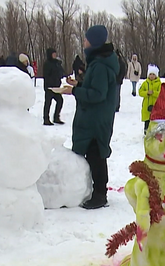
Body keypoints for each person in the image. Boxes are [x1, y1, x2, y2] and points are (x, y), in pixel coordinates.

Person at [57, 25, 119, 210]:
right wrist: (79, 83)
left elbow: (98, 94)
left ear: (94, 41)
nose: (84, 42)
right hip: (96, 118)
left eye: (86, 39)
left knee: (96, 154)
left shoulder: (100, 64)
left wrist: (74, 91)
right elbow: (96, 87)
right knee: (95, 153)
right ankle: (97, 191)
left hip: (96, 119)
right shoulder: (99, 61)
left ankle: (100, 194)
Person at [42, 48, 65, 125]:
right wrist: (50, 83)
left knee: (60, 101)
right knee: (48, 103)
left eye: (55, 53)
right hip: (49, 87)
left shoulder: (57, 63)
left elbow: (61, 72)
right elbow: (46, 75)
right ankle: (46, 119)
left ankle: (56, 117)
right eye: (53, 54)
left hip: (57, 87)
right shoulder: (47, 64)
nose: (55, 55)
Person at [138, 65, 162, 132]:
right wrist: (147, 93)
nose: (151, 76)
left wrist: (153, 93)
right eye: (150, 74)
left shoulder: (159, 83)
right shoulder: (145, 83)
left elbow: (160, 93)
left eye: (153, 74)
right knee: (147, 120)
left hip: (155, 105)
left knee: (155, 120)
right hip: (146, 105)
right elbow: (140, 92)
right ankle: (146, 132)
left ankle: (155, 132)